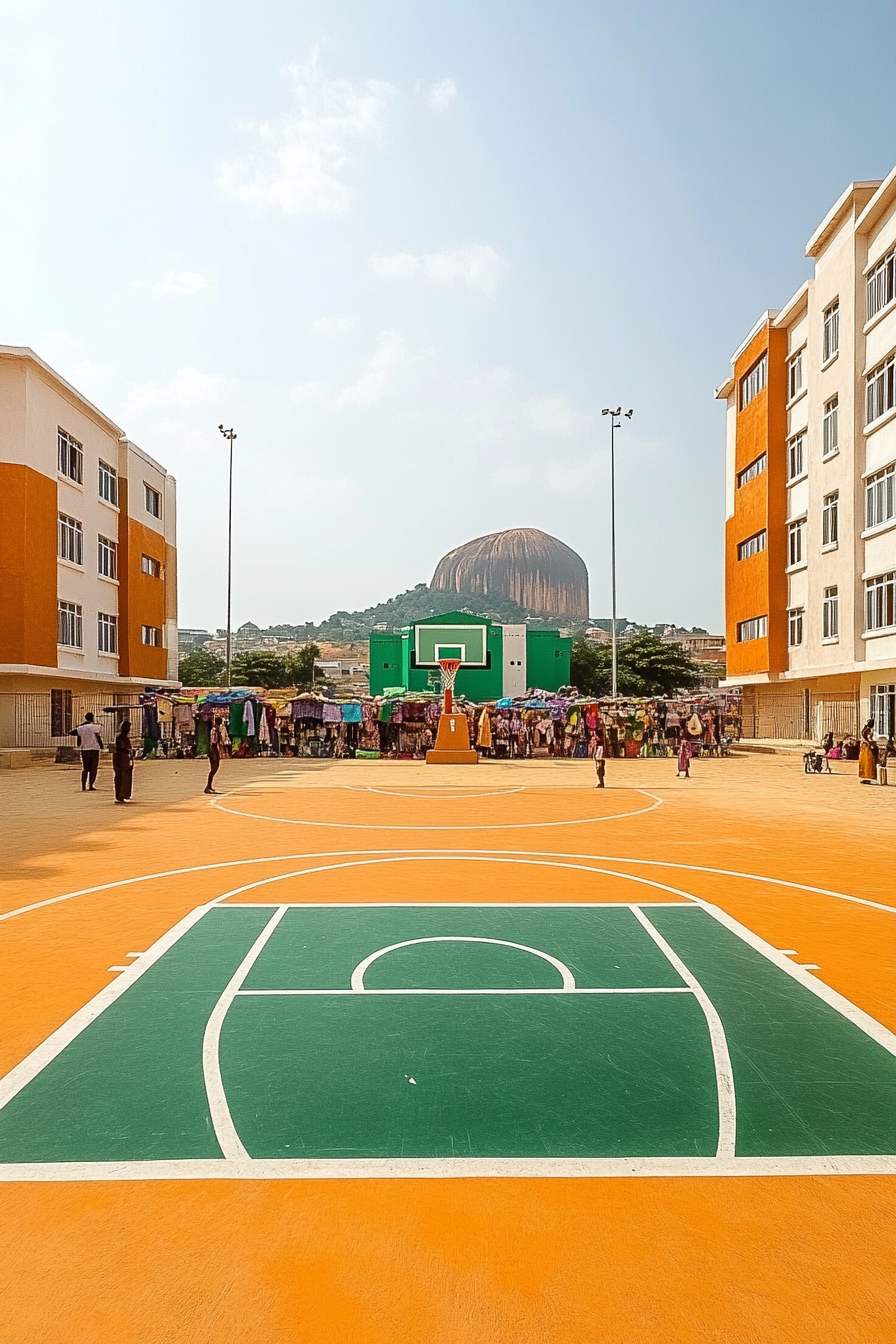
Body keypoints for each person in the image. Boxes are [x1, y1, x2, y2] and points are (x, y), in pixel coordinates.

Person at [71, 712, 103, 791]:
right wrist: (101, 745)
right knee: (94, 768)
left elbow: (78, 737)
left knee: (85, 768)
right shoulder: (95, 726)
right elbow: (98, 737)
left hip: (85, 749)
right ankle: (91, 785)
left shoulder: (80, 728)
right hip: (94, 748)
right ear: (92, 718)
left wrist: (79, 744)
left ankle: (83, 786)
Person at [113, 719, 134, 804]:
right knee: (120, 776)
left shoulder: (126, 738)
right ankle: (119, 795)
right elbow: (121, 748)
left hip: (125, 758)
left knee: (125, 777)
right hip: (119, 758)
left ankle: (124, 794)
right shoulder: (119, 738)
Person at [205, 717, 224, 794]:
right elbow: (213, 743)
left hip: (215, 750)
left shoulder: (217, 731)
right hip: (213, 750)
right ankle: (208, 786)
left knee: (215, 769)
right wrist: (214, 753)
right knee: (213, 769)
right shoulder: (213, 731)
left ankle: (209, 786)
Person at [858, 719, 878, 784]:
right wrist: (870, 743)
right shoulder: (867, 730)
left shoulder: (866, 729)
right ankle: (867, 776)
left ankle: (867, 776)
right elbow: (864, 738)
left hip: (865, 747)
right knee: (868, 761)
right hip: (866, 747)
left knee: (867, 762)